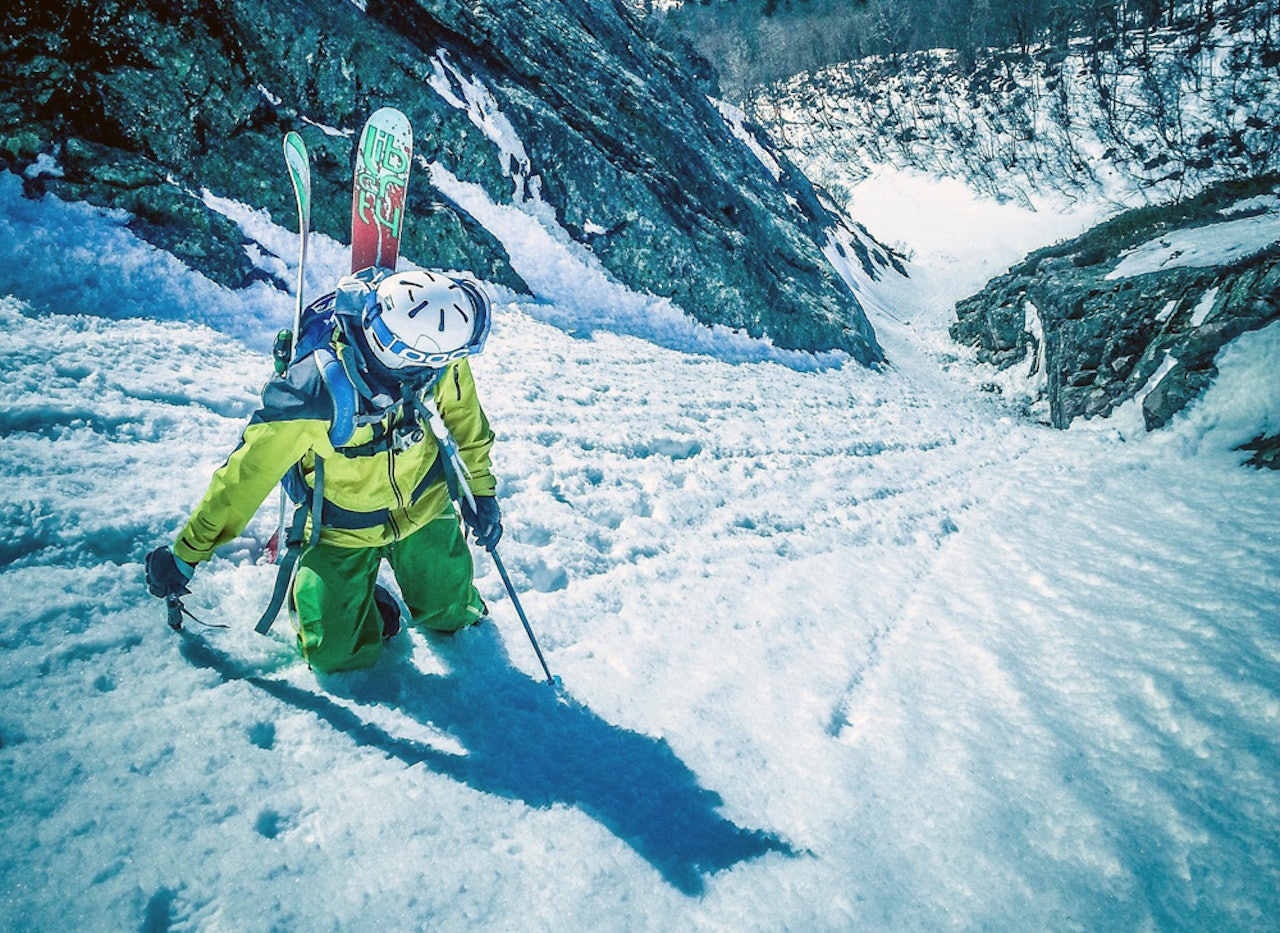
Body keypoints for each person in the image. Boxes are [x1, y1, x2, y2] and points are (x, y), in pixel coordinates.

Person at [145, 267, 502, 673]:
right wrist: (186, 553)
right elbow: (247, 476)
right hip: (342, 526)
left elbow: (466, 420)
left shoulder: (436, 351)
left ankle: (394, 597)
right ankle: (345, 604)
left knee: (452, 613)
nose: (455, 363)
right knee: (335, 655)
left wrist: (481, 490)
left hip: (424, 507)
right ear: (408, 356)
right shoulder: (315, 391)